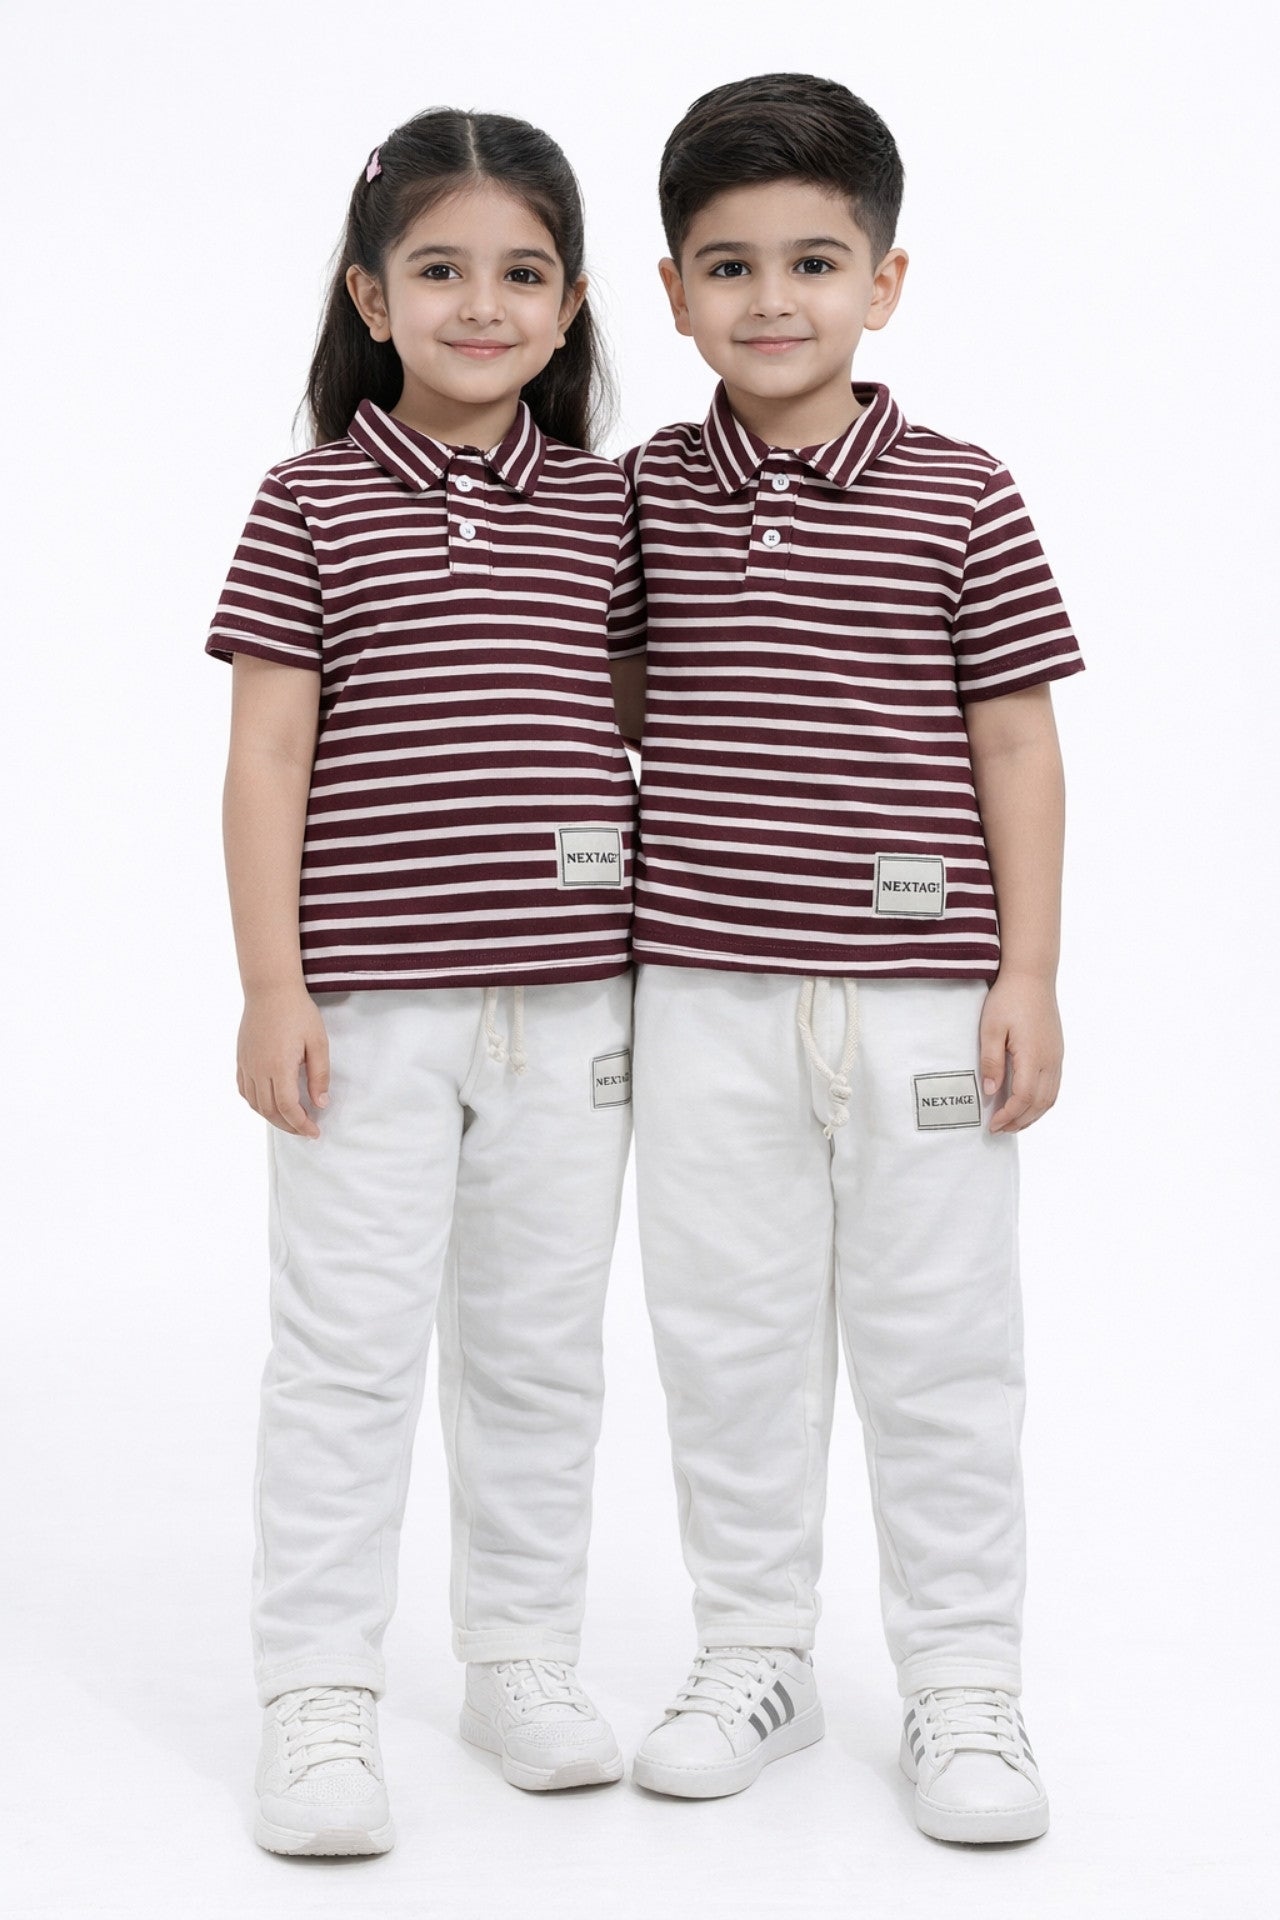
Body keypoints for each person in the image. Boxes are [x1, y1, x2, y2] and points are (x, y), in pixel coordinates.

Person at [622, 72, 1084, 1843]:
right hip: (708, 994)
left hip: (922, 999)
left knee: (941, 1343)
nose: (772, 300)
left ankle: (965, 1680)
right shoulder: (649, 491)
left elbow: (1019, 741)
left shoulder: (962, 491)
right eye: (727, 266)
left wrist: (1026, 974)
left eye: (816, 260)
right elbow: (617, 699)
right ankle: (755, 1650)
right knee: (726, 1335)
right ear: (671, 292)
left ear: (885, 279)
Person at [206, 107, 646, 1857]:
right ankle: (317, 1692)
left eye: (521, 272)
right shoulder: (309, 499)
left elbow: (647, 725)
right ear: (371, 296)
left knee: (542, 1354)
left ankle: (521, 1654)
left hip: (576, 1011)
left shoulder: (616, 510)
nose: (483, 303)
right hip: (367, 1012)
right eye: (442, 269)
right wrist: (269, 987)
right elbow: (264, 760)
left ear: (575, 302)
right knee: (347, 1350)